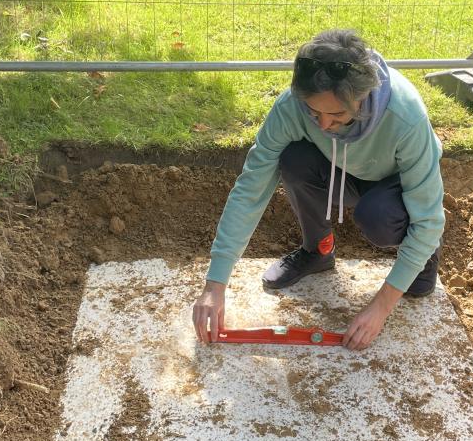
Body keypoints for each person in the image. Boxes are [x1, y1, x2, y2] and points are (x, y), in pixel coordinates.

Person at [191, 29, 445, 351]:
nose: (323, 126)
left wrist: (380, 306)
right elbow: (251, 187)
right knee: (294, 159)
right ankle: (318, 251)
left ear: (363, 96)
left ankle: (425, 259)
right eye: (314, 113)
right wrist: (215, 284)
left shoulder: (405, 118)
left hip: (394, 186)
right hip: (344, 171)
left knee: (380, 218)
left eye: (337, 114)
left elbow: (429, 219)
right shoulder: (291, 108)